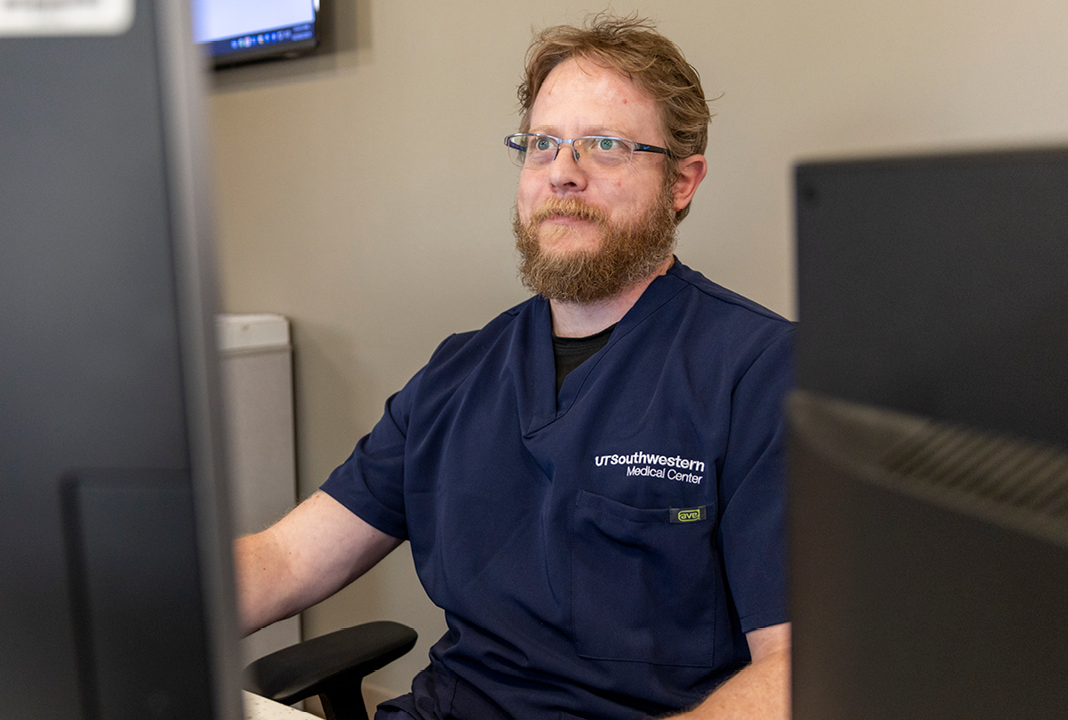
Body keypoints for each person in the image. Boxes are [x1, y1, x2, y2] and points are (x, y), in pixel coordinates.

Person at [237, 14, 793, 720]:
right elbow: (286, 559)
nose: (564, 171)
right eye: (543, 144)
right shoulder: (458, 374)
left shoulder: (759, 372)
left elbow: (795, 669)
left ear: (682, 182)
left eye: (605, 145)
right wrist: (123, 612)